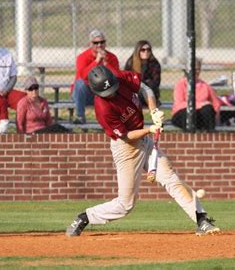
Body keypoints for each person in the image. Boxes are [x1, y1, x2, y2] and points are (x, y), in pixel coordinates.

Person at [65, 65, 220, 237]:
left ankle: (202, 220)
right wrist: (149, 129)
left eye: (113, 89)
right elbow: (125, 136)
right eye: (108, 93)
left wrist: (154, 111)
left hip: (145, 139)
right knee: (125, 204)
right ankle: (85, 217)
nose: (113, 94)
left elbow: (145, 89)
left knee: (170, 178)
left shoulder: (120, 78)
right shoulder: (103, 108)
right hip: (127, 148)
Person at [71, 29, 119, 124]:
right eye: (96, 43)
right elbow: (83, 76)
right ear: (90, 44)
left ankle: (110, 121)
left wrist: (106, 63)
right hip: (85, 94)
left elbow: (116, 76)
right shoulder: (82, 57)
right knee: (80, 83)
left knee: (115, 86)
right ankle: (80, 116)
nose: (99, 45)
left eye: (102, 42)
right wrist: (96, 61)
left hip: (102, 93)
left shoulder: (112, 57)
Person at [171, 58, 222, 131]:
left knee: (208, 108)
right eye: (193, 69)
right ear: (187, 70)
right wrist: (200, 105)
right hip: (181, 115)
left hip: (199, 117)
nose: (196, 71)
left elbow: (216, 104)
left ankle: (210, 137)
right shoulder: (180, 85)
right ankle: (189, 138)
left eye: (198, 69)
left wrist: (214, 114)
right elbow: (179, 104)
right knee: (189, 113)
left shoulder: (205, 85)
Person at [124, 40, 161, 106]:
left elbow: (156, 82)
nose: (146, 52)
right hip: (135, 92)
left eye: (148, 50)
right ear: (138, 51)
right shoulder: (131, 62)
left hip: (151, 92)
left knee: (149, 85)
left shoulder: (154, 63)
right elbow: (126, 80)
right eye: (143, 50)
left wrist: (145, 64)